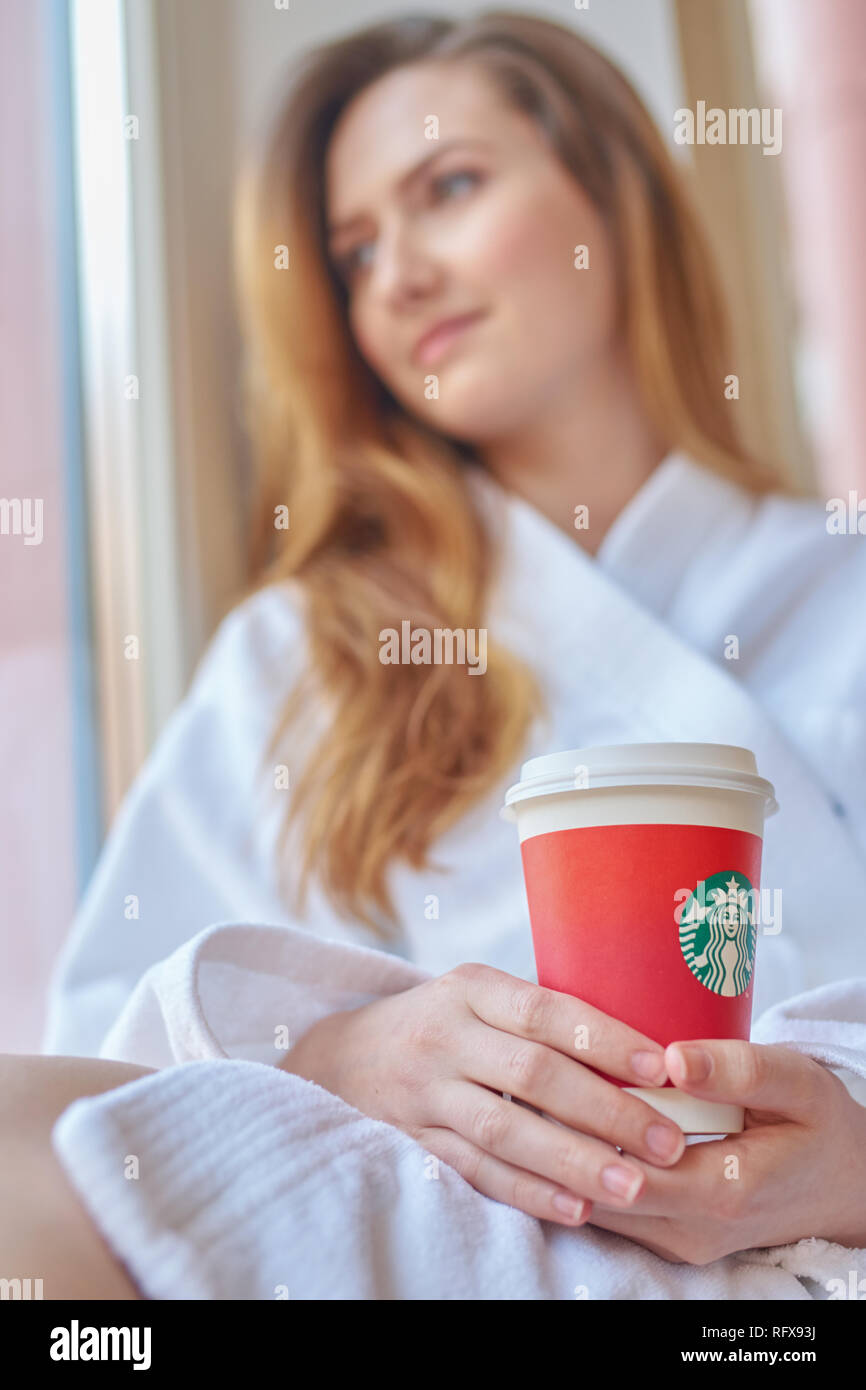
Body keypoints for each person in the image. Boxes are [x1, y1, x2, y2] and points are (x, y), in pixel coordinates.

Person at [10, 11, 866, 1298]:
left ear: (611, 193)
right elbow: (96, 1072)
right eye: (354, 253)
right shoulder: (300, 658)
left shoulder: (842, 587)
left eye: (447, 188)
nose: (396, 277)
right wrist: (337, 1051)